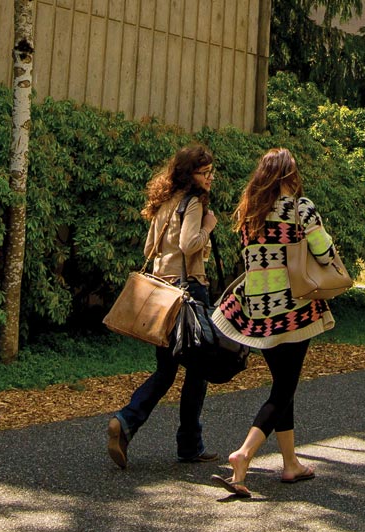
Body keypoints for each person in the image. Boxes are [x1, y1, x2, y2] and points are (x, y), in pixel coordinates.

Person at [207, 148, 335, 498]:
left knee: (283, 384)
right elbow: (324, 253)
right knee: (283, 389)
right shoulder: (300, 208)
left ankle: (290, 463)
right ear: (289, 175)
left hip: (259, 311)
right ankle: (244, 454)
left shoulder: (251, 211)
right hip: (293, 308)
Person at [105, 143, 221, 469]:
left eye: (212, 171)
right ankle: (190, 445)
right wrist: (208, 228)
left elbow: (148, 247)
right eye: (204, 172)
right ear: (190, 174)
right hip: (189, 294)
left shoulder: (165, 204)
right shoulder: (194, 203)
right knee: (198, 371)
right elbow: (188, 245)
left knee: (166, 370)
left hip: (162, 295)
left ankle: (126, 421)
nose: (210, 177)